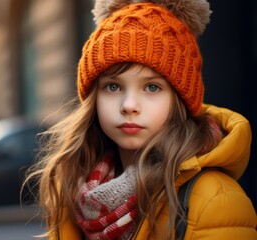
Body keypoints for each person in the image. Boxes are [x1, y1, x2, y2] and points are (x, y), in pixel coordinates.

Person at [26, 0, 257, 239]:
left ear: (179, 101)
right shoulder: (74, 193)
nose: (129, 106)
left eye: (152, 87)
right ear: (93, 99)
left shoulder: (215, 201)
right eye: (113, 86)